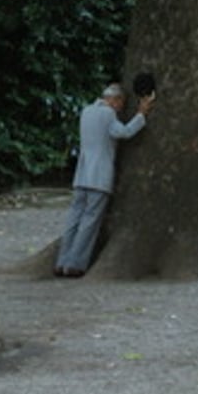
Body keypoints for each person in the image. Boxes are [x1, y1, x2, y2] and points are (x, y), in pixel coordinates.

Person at [55, 82, 156, 277]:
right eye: (121, 103)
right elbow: (123, 132)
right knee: (89, 221)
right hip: (99, 177)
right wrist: (141, 114)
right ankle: (75, 264)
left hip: (81, 175)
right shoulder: (108, 114)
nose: (120, 109)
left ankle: (62, 261)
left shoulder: (86, 111)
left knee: (73, 220)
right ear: (115, 100)